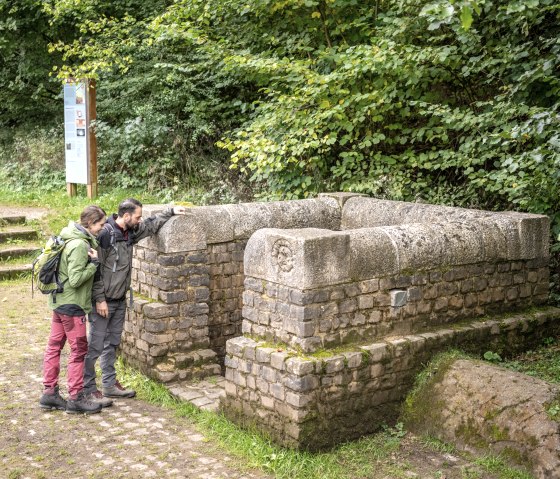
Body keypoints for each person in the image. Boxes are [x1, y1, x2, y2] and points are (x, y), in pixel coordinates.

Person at [84, 198, 186, 405]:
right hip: (102, 302)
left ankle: (109, 385)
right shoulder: (104, 234)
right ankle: (87, 388)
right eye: (137, 216)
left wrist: (171, 211)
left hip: (120, 299)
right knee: (94, 346)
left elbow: (151, 224)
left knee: (111, 344)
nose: (139, 220)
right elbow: (94, 270)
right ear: (126, 215)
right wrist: (99, 299)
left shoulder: (130, 232)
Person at [39, 205, 107, 415]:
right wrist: (94, 263)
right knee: (78, 350)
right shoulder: (79, 244)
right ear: (90, 223)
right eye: (101, 224)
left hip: (58, 302)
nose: (102, 229)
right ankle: (76, 397)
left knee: (54, 347)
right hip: (72, 305)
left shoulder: (68, 236)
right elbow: (76, 279)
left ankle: (49, 393)